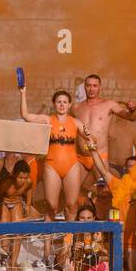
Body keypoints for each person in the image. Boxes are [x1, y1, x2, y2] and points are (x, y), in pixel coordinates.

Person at [20, 85, 89, 221]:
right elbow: (25, 116)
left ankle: (69, 239)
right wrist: (23, 93)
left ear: (69, 105)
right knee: (51, 205)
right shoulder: (48, 120)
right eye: (59, 102)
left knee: (71, 205)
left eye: (64, 102)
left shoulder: (76, 122)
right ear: (54, 104)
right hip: (52, 166)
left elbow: (92, 138)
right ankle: (47, 242)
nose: (62, 105)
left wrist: (89, 136)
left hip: (72, 167)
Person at [72, 73, 136, 181]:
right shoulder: (76, 107)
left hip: (99, 156)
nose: (91, 89)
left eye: (94, 86)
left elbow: (131, 117)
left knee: (104, 192)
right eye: (88, 85)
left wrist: (132, 110)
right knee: (75, 192)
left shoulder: (109, 104)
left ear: (99, 87)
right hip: (80, 158)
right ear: (84, 87)